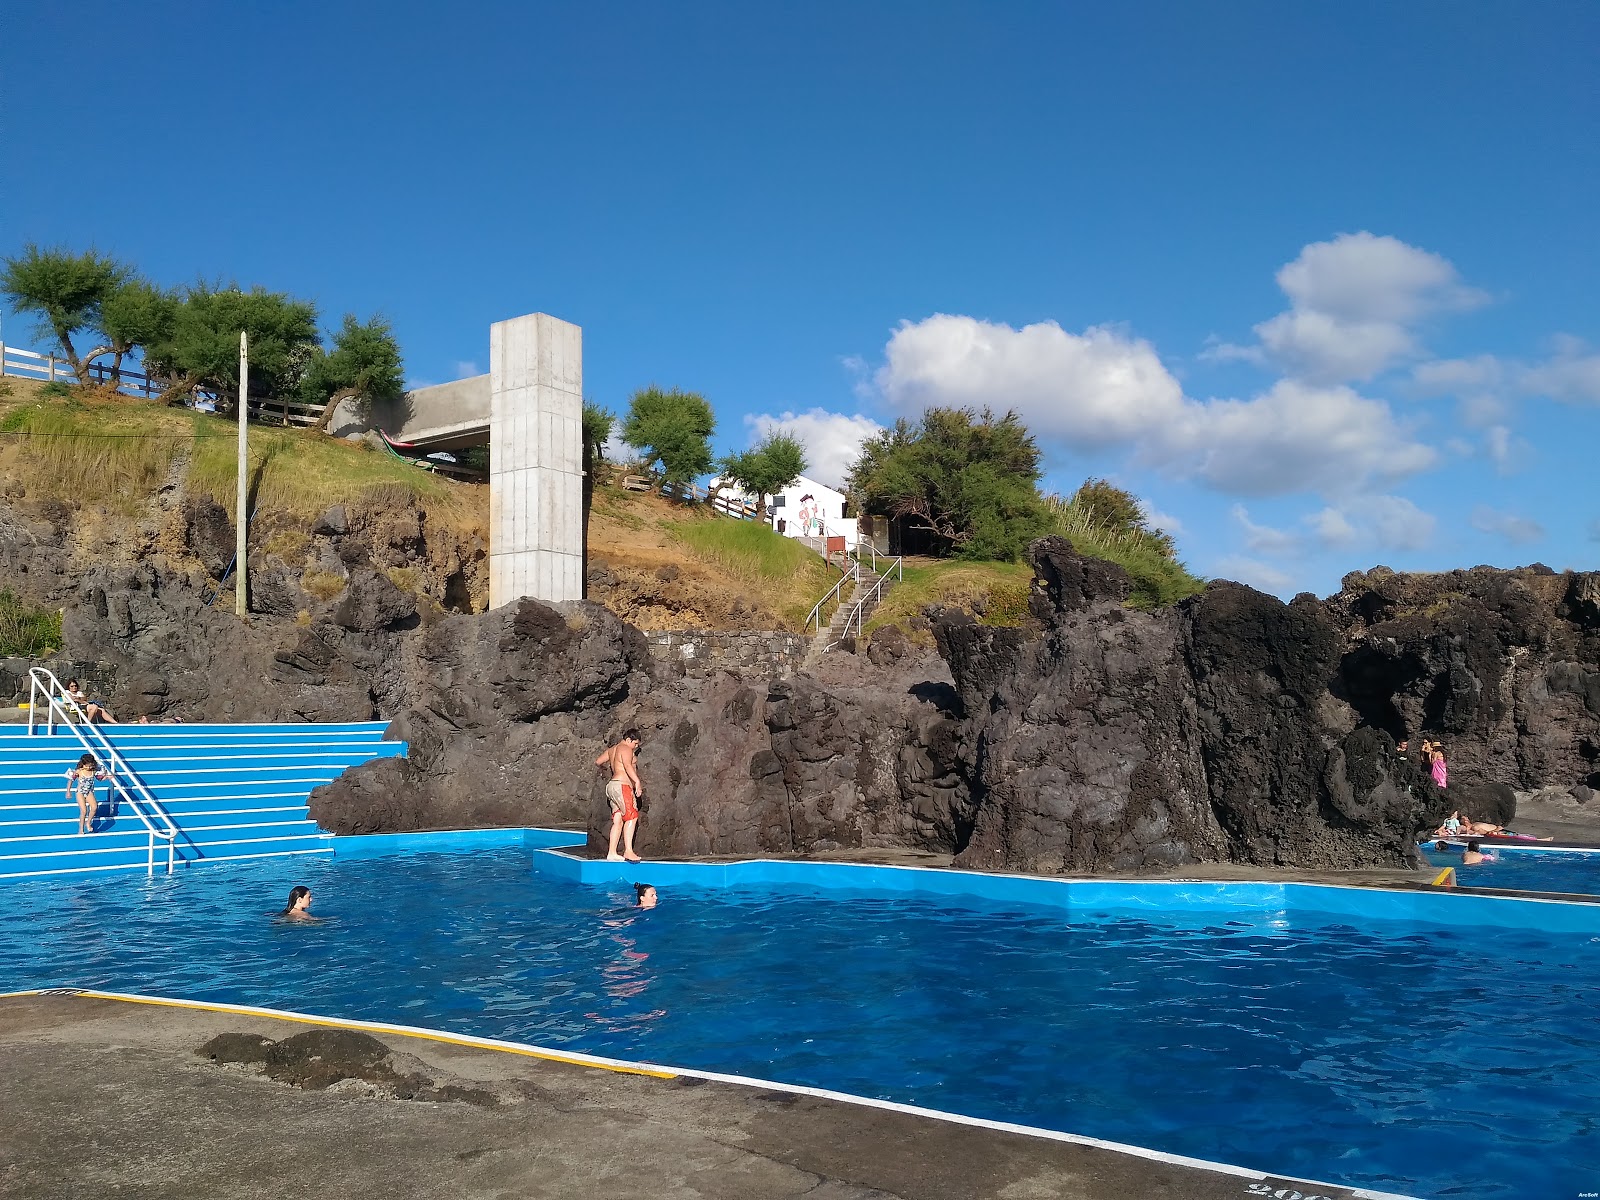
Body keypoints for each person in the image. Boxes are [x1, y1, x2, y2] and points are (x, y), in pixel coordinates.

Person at [595, 729, 645, 863]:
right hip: (622, 785)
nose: (635, 747)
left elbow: (598, 761)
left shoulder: (612, 749)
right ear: (629, 740)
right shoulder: (626, 749)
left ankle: (612, 852)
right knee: (632, 816)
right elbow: (628, 766)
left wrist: (609, 770)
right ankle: (628, 851)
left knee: (618, 819)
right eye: (635, 744)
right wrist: (637, 782)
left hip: (611, 786)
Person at [64, 753, 109, 835]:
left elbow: (100, 779)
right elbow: (70, 780)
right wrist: (68, 792)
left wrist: (107, 777)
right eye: (87, 766)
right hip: (80, 792)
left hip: (89, 792)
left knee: (95, 807)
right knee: (84, 811)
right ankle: (81, 829)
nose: (89, 767)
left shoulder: (93, 771)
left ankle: (88, 822)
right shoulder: (79, 771)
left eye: (90, 765)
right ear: (83, 764)